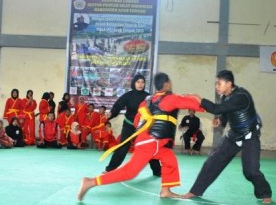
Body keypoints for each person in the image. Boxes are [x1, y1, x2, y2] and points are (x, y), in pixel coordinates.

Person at [77, 72, 205, 201]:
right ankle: (91, 182)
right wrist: (195, 96)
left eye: (142, 82)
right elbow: (198, 106)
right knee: (130, 171)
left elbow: (137, 121)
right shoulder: (170, 98)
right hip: (151, 141)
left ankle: (166, 191)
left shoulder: (147, 100)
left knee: (170, 159)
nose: (140, 84)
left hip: (151, 140)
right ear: (167, 84)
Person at [181, 70, 272, 204]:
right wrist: (220, 121)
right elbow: (224, 112)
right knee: (212, 163)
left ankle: (265, 193)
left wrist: (197, 98)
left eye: (219, 83)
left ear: (229, 84)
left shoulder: (241, 96)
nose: (216, 86)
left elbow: (217, 109)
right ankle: (195, 191)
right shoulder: (225, 97)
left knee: (251, 171)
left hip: (250, 136)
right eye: (216, 84)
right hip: (233, 136)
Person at [104, 74, 161, 176]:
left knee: (147, 148)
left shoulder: (148, 97)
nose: (140, 84)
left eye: (142, 82)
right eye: (138, 82)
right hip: (129, 125)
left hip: (142, 128)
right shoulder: (128, 95)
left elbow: (154, 111)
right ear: (134, 83)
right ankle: (110, 169)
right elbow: (118, 106)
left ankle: (158, 171)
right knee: (122, 147)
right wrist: (111, 113)